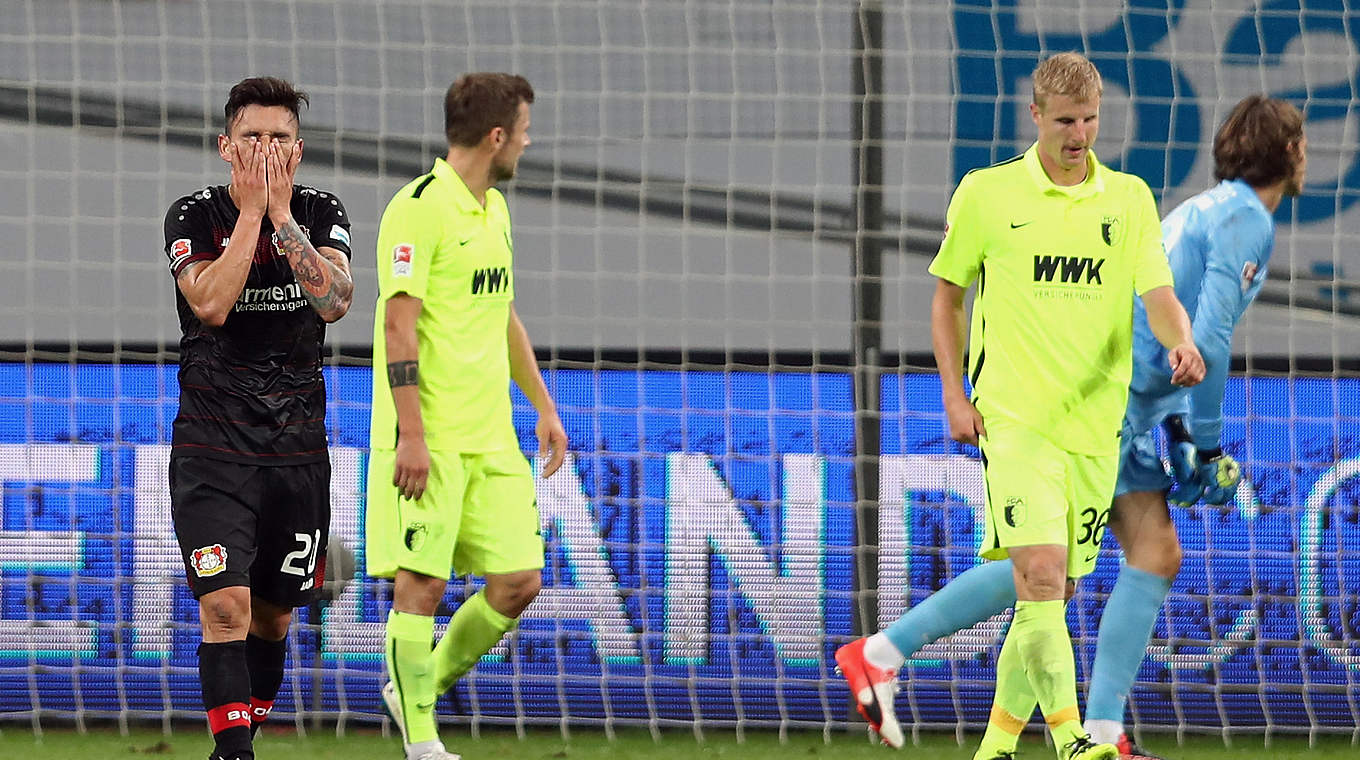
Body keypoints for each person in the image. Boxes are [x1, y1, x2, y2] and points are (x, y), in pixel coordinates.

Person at [834, 53, 1205, 760]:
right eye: (1066, 120)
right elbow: (947, 296)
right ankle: (1073, 740)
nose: (1080, 134)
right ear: (1035, 115)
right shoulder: (987, 194)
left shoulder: (1126, 199)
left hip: (1096, 428)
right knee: (1037, 575)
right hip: (1016, 420)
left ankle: (992, 747)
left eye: (1091, 119)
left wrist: (1181, 342)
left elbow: (1157, 293)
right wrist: (954, 392)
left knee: (1053, 593)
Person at [365, 72, 568, 760]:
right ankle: (423, 745)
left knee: (518, 582)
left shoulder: (495, 210)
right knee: (419, 586)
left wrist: (540, 403)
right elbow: (398, 328)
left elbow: (502, 311)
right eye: (526, 128)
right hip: (431, 437)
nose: (530, 141)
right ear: (497, 135)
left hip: (492, 436)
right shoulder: (417, 209)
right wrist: (412, 437)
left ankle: (416, 688)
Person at [163, 76, 354, 760]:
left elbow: (334, 302)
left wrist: (279, 217)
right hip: (213, 449)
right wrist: (249, 216)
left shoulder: (321, 211)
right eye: (252, 137)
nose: (265, 149)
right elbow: (210, 303)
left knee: (272, 620)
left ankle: (238, 738)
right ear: (225, 146)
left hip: (298, 452)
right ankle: (235, 755)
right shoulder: (192, 216)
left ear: (297, 151)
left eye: (278, 138)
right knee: (226, 610)